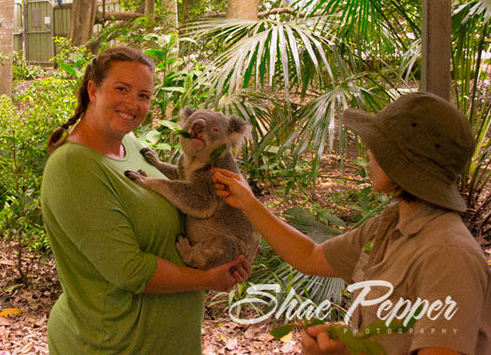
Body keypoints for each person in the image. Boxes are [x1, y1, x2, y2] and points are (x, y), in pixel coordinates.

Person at [212, 92, 491, 355]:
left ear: (402, 164)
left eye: (378, 146)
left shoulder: (448, 256)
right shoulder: (389, 226)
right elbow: (310, 256)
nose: (368, 153)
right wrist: (248, 203)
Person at [41, 46, 251, 354]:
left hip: (166, 339)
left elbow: (187, 203)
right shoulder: (74, 167)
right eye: (122, 89)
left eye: (143, 95)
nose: (133, 104)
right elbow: (130, 271)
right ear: (93, 90)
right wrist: (206, 278)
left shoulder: (130, 144)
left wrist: (232, 246)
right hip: (114, 342)